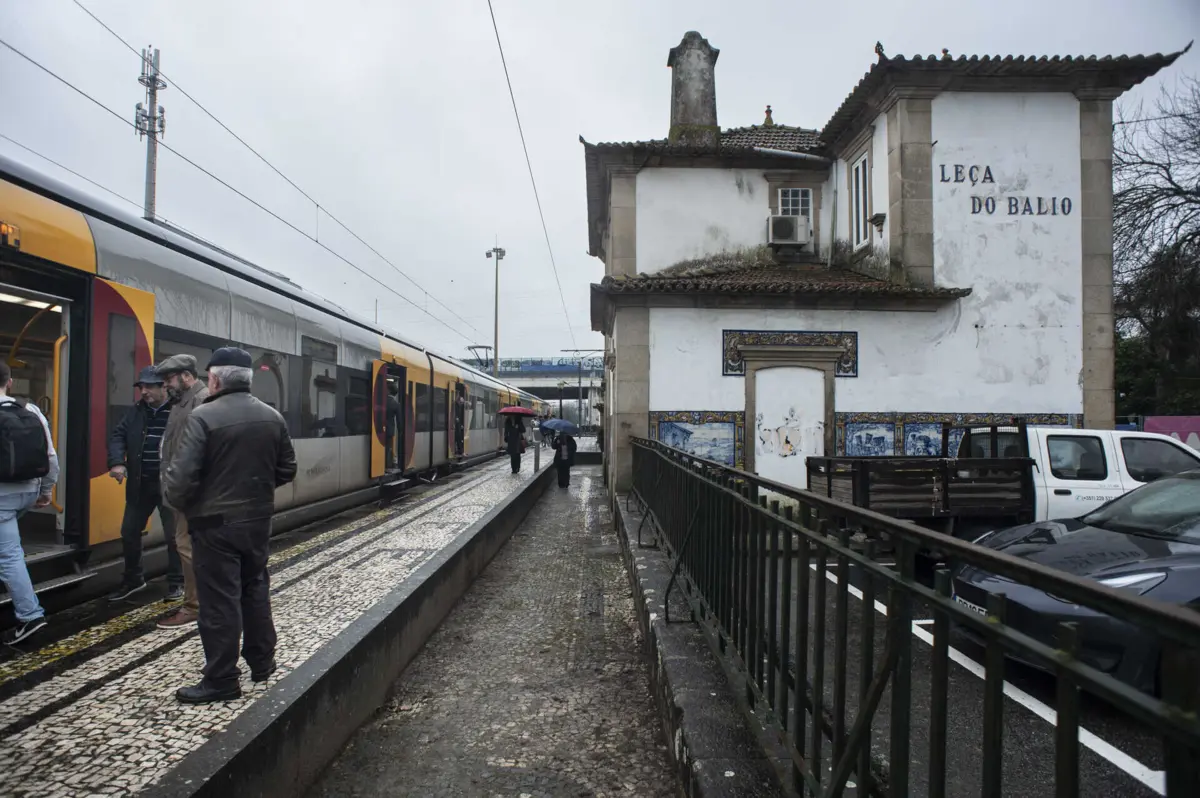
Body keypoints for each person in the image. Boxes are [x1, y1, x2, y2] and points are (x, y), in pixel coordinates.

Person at [164, 347, 297, 703]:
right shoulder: (273, 417)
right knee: (255, 589)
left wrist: (187, 504)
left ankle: (221, 680)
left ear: (215, 379)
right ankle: (262, 663)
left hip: (214, 525)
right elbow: (287, 470)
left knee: (219, 601)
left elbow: (180, 482)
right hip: (257, 521)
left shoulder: (204, 417)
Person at [106, 366, 182, 602]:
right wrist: (117, 462)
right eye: (142, 387)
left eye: (149, 386)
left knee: (174, 536)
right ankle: (133, 579)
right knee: (129, 531)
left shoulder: (178, 411)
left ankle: (177, 583)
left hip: (169, 484)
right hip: (141, 483)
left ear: (164, 388)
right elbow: (118, 435)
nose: (144, 391)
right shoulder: (136, 412)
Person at [0, 361, 57, 645]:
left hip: (2, 497)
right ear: (9, 382)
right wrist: (46, 491)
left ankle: (30, 616)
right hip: (27, 492)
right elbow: (50, 457)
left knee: (9, 556)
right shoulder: (30, 410)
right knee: (6, 548)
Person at [155, 354, 209, 629]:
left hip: (191, 492)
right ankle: (199, 601)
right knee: (187, 546)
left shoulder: (200, 402)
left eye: (169, 380)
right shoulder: (182, 402)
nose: (166, 386)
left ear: (186, 376)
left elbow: (199, 453)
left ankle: (195, 606)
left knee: (188, 548)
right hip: (181, 489)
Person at [384, 381, 401, 470]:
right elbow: (399, 420)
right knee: (387, 448)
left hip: (378, 428)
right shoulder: (396, 404)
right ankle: (387, 466)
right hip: (390, 430)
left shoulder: (381, 401)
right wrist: (400, 431)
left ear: (389, 391)